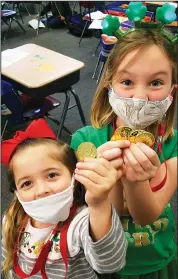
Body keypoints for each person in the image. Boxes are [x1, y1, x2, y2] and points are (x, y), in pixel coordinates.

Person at [70, 4, 178, 278]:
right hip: (107, 259)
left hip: (156, 256)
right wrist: (110, 177)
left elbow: (145, 216)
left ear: (172, 91)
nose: (139, 97)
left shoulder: (174, 144)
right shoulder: (86, 141)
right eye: (127, 82)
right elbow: (113, 210)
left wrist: (134, 179)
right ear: (109, 85)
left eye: (155, 83)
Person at [1, 119, 127, 279]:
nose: (42, 190)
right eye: (27, 183)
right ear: (16, 192)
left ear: (74, 175)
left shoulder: (81, 223)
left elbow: (110, 264)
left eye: (52, 175)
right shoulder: (12, 219)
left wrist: (99, 203)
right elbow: (7, 261)